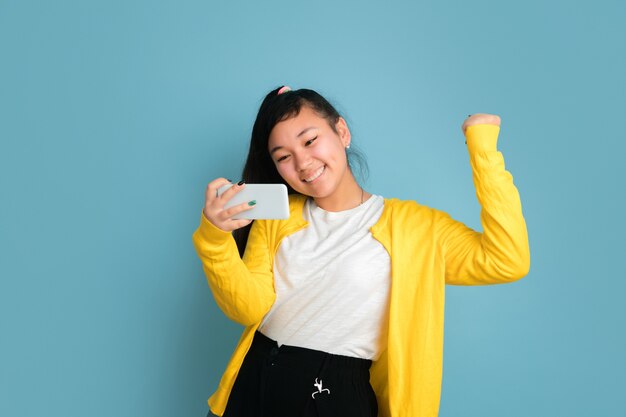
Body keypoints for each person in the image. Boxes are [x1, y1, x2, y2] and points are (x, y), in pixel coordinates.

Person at [192, 86, 530, 417]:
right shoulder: (277, 218)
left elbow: (507, 259)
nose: (303, 162)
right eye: (283, 157)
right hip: (251, 384)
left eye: (310, 141)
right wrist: (216, 238)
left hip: (334, 394)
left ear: (341, 131)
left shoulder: (416, 228)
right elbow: (248, 308)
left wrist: (483, 149)